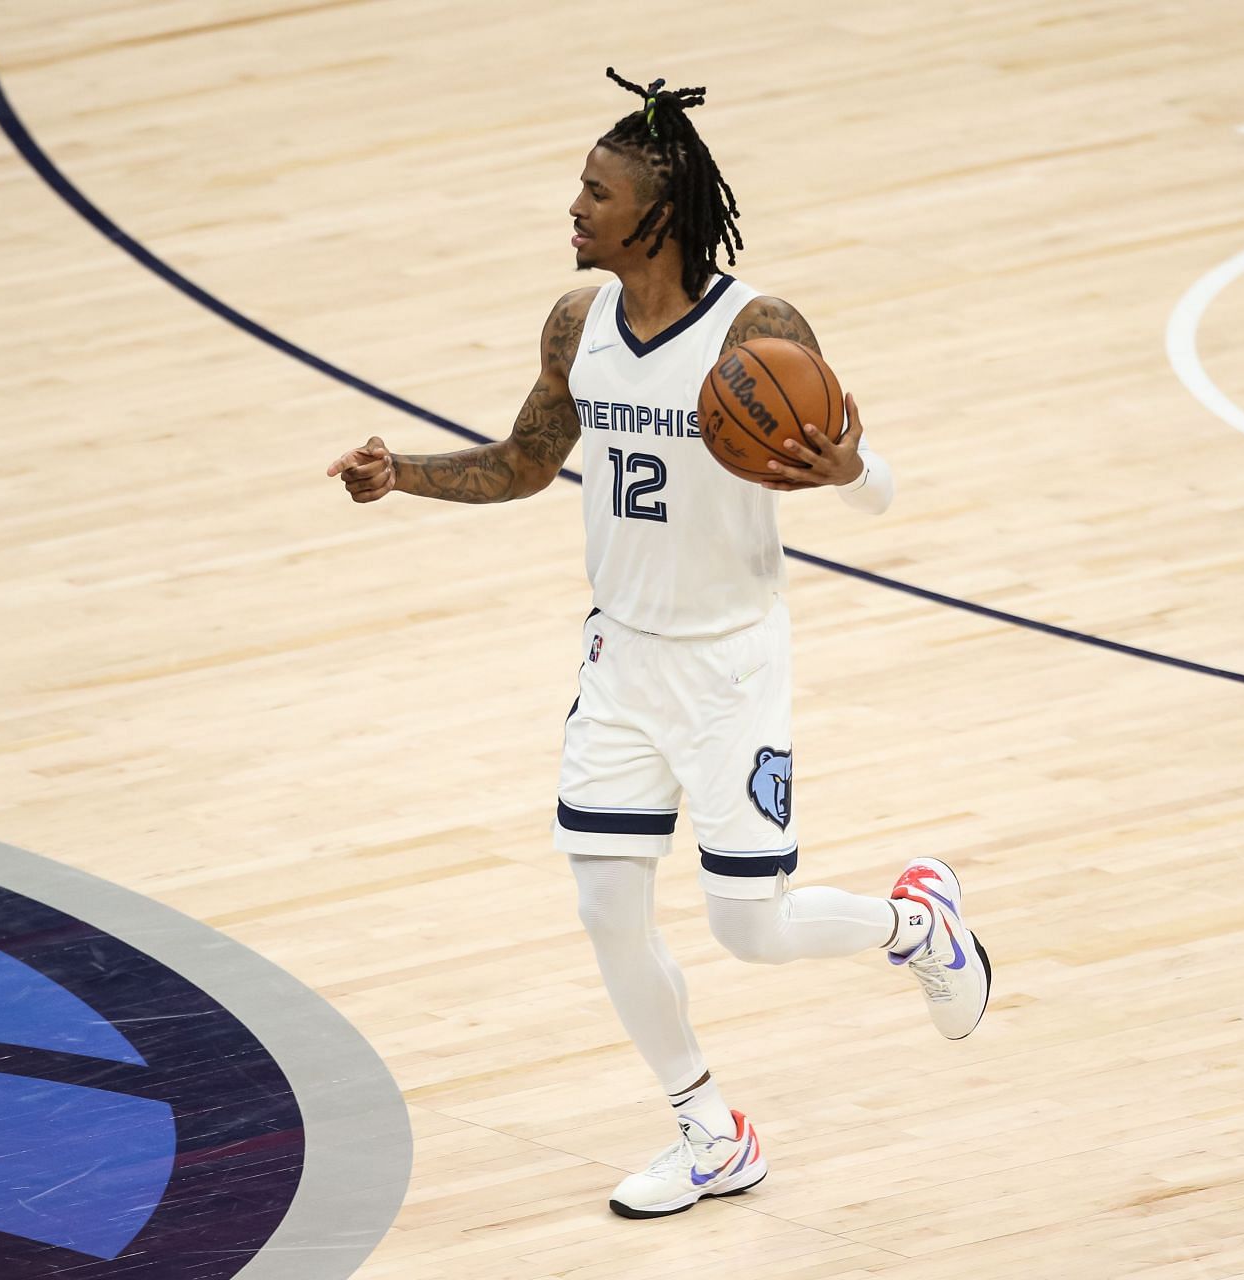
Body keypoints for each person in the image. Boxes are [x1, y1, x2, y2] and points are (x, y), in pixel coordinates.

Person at [327, 69, 990, 1219]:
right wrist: (406, 480)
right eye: (578, 186)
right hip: (621, 661)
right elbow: (527, 462)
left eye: (596, 190)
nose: (573, 207)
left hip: (731, 663)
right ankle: (709, 1128)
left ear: (660, 211)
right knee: (603, 908)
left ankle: (918, 923)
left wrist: (851, 470)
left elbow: (872, 489)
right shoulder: (576, 322)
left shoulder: (761, 331)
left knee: (751, 927)